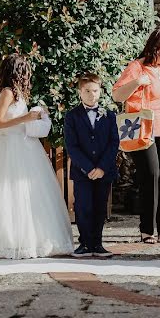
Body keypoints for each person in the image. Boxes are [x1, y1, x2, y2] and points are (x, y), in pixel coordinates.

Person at [0, 54, 74, 260]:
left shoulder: (20, 93)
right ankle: (7, 240)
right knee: (7, 195)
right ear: (18, 71)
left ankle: (28, 239)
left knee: (28, 195)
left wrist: (37, 116)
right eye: (25, 69)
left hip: (25, 146)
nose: (28, 73)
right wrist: (26, 117)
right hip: (9, 148)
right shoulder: (7, 92)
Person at [112, 28, 160, 244]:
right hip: (143, 128)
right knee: (150, 174)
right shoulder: (136, 67)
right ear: (158, 48)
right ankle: (147, 229)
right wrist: (137, 82)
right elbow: (117, 94)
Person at [63, 73, 120, 258]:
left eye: (95, 91)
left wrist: (102, 167)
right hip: (83, 171)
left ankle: (97, 243)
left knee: (99, 206)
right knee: (83, 206)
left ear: (100, 92)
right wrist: (88, 168)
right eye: (87, 91)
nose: (91, 94)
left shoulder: (109, 115)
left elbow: (113, 143)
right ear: (80, 92)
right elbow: (72, 146)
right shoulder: (72, 116)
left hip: (104, 171)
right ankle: (85, 243)